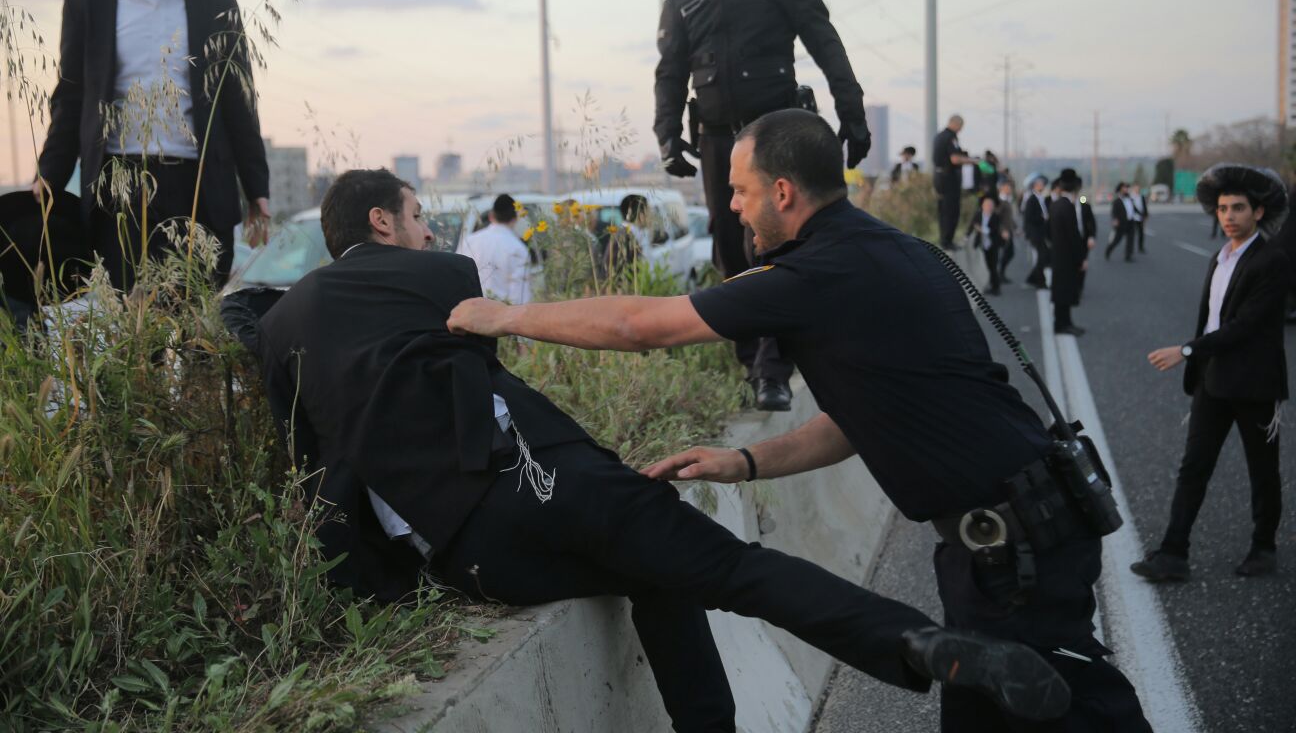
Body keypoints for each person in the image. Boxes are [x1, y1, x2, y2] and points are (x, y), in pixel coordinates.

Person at [255, 167, 1073, 732]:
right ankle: (915, 643)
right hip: (553, 480)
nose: (429, 228)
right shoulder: (438, 275)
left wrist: (377, 588)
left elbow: (318, 467)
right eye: (417, 215)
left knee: (656, 575)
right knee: (727, 568)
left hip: (474, 556)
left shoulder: (280, 328)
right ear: (381, 223)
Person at [449, 110, 1150, 732]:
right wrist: (745, 461)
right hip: (1006, 538)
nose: (732, 206)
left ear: (782, 192)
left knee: (1077, 708)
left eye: (739, 190)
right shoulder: (905, 252)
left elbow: (641, 325)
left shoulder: (816, 274)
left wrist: (506, 317)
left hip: (1014, 549)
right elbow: (860, 420)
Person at [655, 0, 871, 412]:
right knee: (730, 249)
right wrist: (667, 135)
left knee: (773, 245)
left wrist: (852, 113)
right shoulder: (682, 2)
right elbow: (669, 74)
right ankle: (753, 362)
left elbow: (827, 45)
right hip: (717, 141)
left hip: (775, 135)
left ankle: (773, 369)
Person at [32, 0, 270, 290]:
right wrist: (49, 174)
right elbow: (70, 98)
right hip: (117, 188)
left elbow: (238, 101)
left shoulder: (217, 4)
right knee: (131, 316)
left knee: (195, 315)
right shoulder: (88, 3)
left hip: (198, 188)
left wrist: (257, 189)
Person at [1132, 164, 1290, 582]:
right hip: (1214, 381)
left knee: (1262, 471)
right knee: (1194, 467)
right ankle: (1173, 553)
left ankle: (1263, 548)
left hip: (1254, 384)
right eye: (1222, 209)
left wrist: (1186, 351)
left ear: (1258, 212)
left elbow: (1244, 327)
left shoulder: (1272, 260)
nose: (1228, 216)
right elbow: (1212, 321)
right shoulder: (1219, 258)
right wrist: (1199, 359)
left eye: (1238, 208)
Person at [459, 193, 532, 305]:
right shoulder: (518, 249)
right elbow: (520, 296)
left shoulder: (469, 241)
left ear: (491, 216)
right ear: (515, 218)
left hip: (471, 309)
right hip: (502, 311)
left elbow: (459, 278)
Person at [1049, 169, 1087, 336]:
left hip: (1057, 254)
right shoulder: (1068, 207)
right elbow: (1074, 236)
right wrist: (1081, 258)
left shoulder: (1055, 204)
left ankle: (1062, 323)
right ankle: (1064, 324)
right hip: (1068, 257)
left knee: (1060, 291)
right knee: (1066, 292)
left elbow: (1048, 231)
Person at [932, 115, 970, 250]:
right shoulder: (951, 137)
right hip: (949, 178)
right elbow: (955, 159)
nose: (960, 130)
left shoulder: (939, 136)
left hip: (939, 177)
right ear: (955, 124)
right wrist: (972, 161)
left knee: (943, 210)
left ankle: (944, 239)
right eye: (960, 126)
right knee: (952, 210)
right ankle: (947, 241)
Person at [966, 194, 1006, 296]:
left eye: (991, 205)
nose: (989, 207)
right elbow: (972, 225)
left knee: (993, 266)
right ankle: (992, 285)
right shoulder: (978, 215)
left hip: (993, 244)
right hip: (982, 244)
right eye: (987, 205)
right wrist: (967, 236)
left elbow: (994, 230)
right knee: (988, 266)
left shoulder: (996, 217)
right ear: (983, 206)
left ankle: (996, 288)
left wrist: (981, 229)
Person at [1021, 174, 1051, 289]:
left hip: (1041, 232)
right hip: (1035, 233)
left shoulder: (1041, 198)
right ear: (1035, 186)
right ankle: (1040, 281)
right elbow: (1028, 217)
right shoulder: (1031, 199)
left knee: (1043, 256)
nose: (1042, 186)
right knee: (1041, 256)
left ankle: (1032, 279)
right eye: (1040, 184)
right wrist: (1042, 217)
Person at [1104, 183, 1135, 263]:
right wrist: (1115, 220)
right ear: (1120, 190)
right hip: (1121, 223)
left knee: (1130, 239)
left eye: (1127, 188)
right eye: (1124, 188)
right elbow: (1114, 212)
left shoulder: (1130, 199)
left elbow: (1133, 209)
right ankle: (1108, 250)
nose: (1126, 189)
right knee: (1117, 240)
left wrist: (1142, 213)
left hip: (1130, 222)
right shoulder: (1117, 201)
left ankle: (1128, 256)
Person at [995, 180, 1017, 284]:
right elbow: (997, 218)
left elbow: (1009, 217)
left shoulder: (1007, 200)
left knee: (1009, 253)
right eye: (1007, 187)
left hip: (1008, 231)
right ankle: (998, 275)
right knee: (1005, 253)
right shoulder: (999, 201)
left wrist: (1015, 228)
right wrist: (1002, 231)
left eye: (1010, 188)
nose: (1010, 190)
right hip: (1002, 233)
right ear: (1002, 188)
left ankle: (1001, 274)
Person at [1129, 183, 1148, 253]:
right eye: (1136, 188)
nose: (1137, 189)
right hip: (1133, 218)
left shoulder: (1141, 196)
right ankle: (1131, 249)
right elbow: (1132, 208)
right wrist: (1139, 213)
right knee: (1132, 234)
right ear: (1134, 188)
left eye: (1138, 188)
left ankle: (1141, 248)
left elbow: (1144, 206)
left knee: (1141, 234)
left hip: (1141, 218)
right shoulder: (1131, 197)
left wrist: (1145, 215)